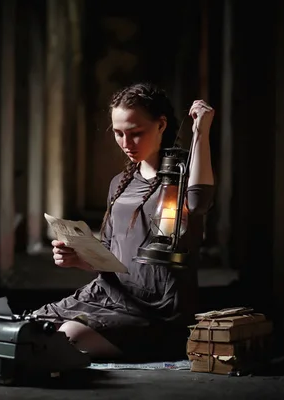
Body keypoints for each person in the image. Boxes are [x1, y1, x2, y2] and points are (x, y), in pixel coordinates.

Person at [32, 82, 216, 361]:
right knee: (33, 325)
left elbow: (198, 203)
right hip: (107, 295)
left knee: (67, 337)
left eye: (135, 133)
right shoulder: (120, 184)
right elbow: (109, 254)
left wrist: (200, 132)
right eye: (118, 134)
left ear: (161, 125)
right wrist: (78, 258)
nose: (126, 144)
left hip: (155, 309)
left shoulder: (181, 180)